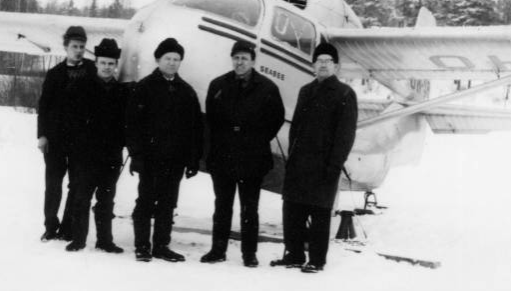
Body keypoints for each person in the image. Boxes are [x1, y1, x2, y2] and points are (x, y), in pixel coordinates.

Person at [275, 42, 358, 273]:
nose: (323, 64)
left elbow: (345, 135)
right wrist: (292, 156)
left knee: (320, 213)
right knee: (293, 210)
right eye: (319, 60)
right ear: (313, 65)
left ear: (336, 66)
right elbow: (296, 128)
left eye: (328, 61)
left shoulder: (345, 94)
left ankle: (316, 260)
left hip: (324, 165)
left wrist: (334, 165)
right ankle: (294, 254)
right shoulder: (305, 91)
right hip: (299, 163)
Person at [201, 40, 285, 267]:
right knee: (222, 206)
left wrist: (255, 139)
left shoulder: (267, 88)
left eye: (244, 58)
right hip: (224, 157)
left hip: (252, 158)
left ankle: (249, 254)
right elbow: (212, 119)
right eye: (236, 58)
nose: (240, 62)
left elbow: (276, 119)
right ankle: (217, 250)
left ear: (253, 61)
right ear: (232, 59)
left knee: (250, 208)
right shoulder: (218, 85)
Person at [126, 38, 203, 262]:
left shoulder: (186, 92)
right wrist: (136, 155)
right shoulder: (144, 88)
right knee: (146, 201)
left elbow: (195, 129)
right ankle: (142, 246)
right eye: (168, 58)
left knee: (168, 203)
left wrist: (193, 160)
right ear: (158, 60)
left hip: (175, 160)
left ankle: (161, 246)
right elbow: (132, 125)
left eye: (176, 59)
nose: (172, 63)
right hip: (150, 158)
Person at [65, 38, 130, 253]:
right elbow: (71, 120)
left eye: (111, 64)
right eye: (103, 63)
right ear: (96, 63)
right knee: (82, 197)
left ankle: (105, 241)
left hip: (111, 155)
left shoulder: (122, 92)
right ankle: (78, 239)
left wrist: (122, 142)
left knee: (106, 199)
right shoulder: (81, 87)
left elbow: (126, 122)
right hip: (86, 154)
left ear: (116, 65)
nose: (107, 67)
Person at [37, 25, 95, 241]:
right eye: (74, 46)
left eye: (81, 47)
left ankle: (68, 227)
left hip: (81, 139)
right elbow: (44, 106)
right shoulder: (55, 74)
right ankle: (50, 226)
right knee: (53, 184)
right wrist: (42, 135)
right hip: (56, 139)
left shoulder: (92, 70)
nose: (78, 50)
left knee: (77, 184)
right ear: (66, 47)